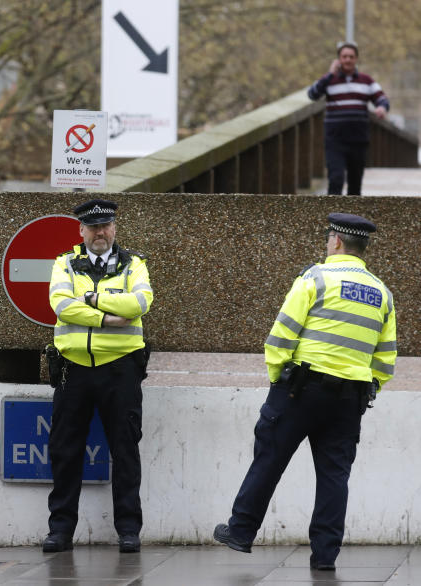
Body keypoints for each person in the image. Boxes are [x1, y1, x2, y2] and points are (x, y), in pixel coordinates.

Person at [214, 213, 396, 571]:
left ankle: (241, 531)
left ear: (337, 242)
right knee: (334, 476)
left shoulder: (316, 278)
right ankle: (325, 555)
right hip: (351, 398)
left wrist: (277, 379)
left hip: (301, 389)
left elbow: (282, 334)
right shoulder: (382, 292)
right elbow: (386, 357)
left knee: (269, 458)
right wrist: (369, 387)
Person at [42, 198, 153, 554]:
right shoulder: (65, 264)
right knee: (65, 450)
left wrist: (87, 299)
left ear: (114, 228)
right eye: (92, 227)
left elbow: (139, 304)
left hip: (120, 370)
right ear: (81, 231)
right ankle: (60, 531)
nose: (100, 233)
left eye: (105, 226)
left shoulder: (133, 264)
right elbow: (60, 305)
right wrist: (104, 314)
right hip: (74, 369)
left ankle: (129, 530)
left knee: (125, 450)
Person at [308, 41, 390, 195]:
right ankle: (332, 215)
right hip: (335, 140)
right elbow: (312, 94)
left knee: (355, 182)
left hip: (358, 140)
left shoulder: (366, 81)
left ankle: (352, 218)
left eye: (351, 57)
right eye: (344, 56)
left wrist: (381, 107)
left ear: (356, 59)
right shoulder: (329, 80)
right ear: (338, 59)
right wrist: (329, 74)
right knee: (336, 179)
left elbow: (382, 98)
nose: (348, 60)